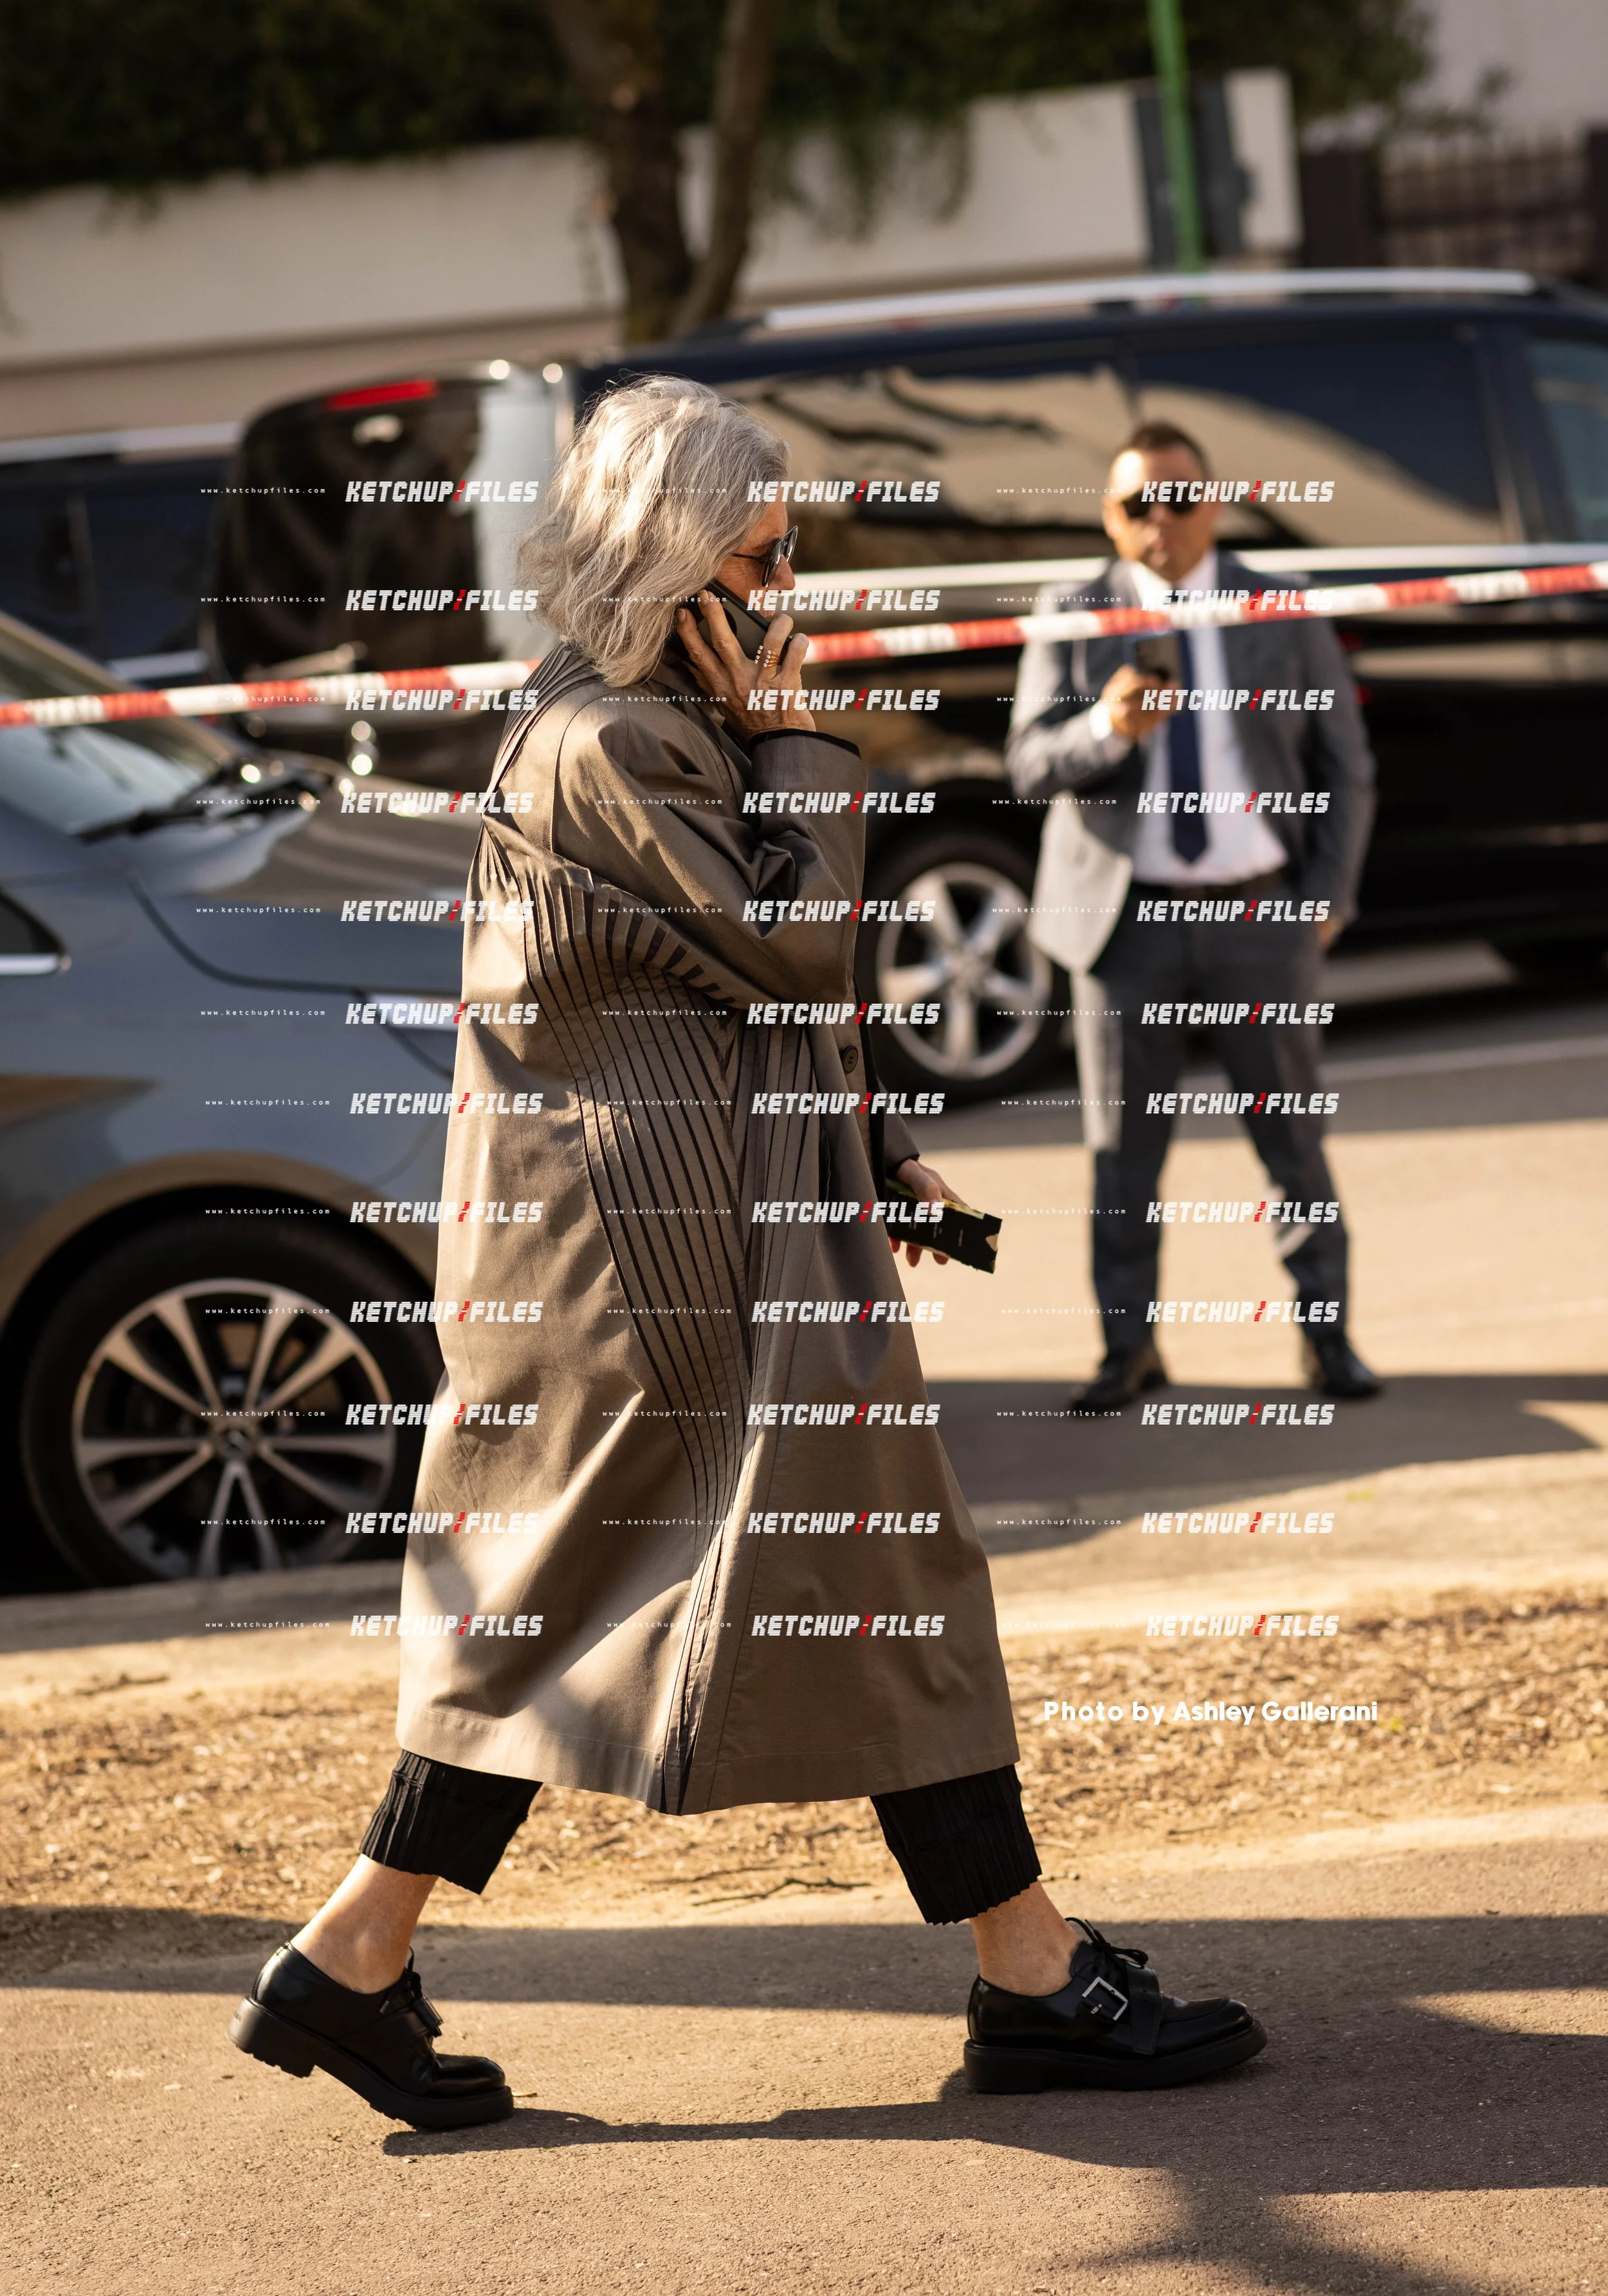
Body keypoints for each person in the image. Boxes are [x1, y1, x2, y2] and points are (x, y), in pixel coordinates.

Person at [229, 380, 1265, 2130]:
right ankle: (1030, 1972)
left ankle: (350, 1956)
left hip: (688, 1232)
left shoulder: (644, 718)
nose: (794, 594)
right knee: (866, 1576)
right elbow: (784, 946)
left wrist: (869, 1148)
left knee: (588, 1604)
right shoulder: (615, 740)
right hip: (672, 1264)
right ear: (666, 562)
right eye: (761, 558)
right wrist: (801, 746)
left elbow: (745, 999)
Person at [1006, 420, 1380, 1413]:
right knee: (1122, 1148)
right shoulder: (1075, 610)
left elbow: (1345, 764)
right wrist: (1103, 727)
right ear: (1109, 516)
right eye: (1136, 503)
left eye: (1178, 498)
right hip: (1127, 926)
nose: (1159, 520)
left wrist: (1325, 901)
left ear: (1215, 502)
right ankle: (1127, 1350)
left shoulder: (1277, 603)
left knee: (1291, 1138)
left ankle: (1327, 1339)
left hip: (1261, 915)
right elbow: (1028, 764)